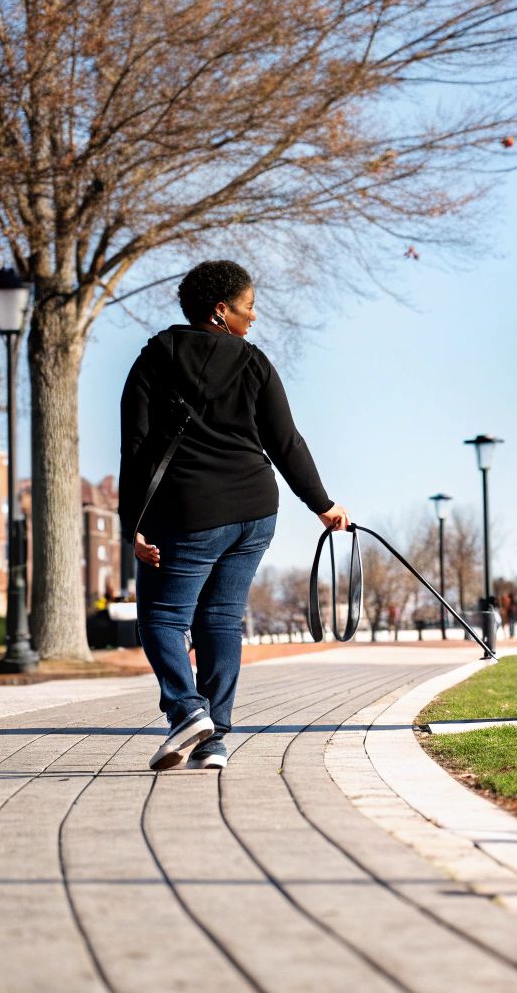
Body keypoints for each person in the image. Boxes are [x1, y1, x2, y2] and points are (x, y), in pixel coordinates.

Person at [120, 260, 350, 771]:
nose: (254, 315)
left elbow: (134, 447)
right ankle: (213, 739)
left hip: (189, 512)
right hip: (254, 509)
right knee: (220, 619)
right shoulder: (254, 363)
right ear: (220, 310)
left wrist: (129, 523)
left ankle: (186, 712)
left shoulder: (157, 357)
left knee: (160, 617)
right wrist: (322, 504)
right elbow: (285, 442)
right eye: (248, 306)